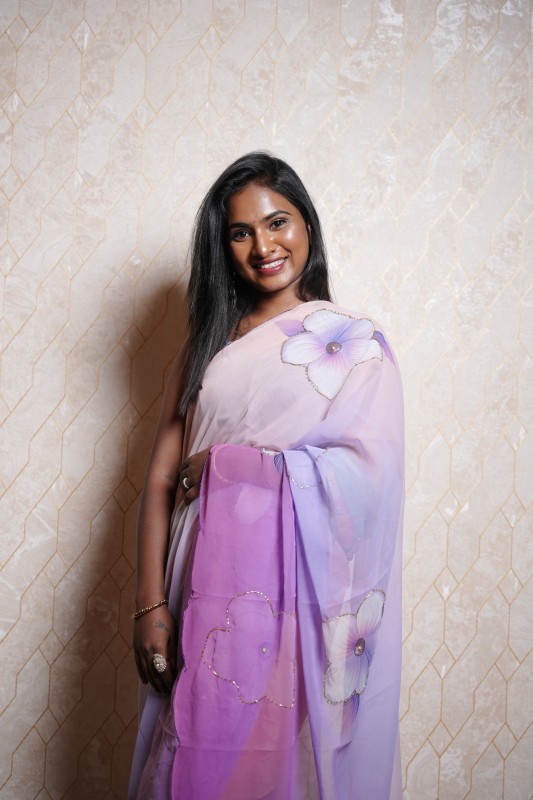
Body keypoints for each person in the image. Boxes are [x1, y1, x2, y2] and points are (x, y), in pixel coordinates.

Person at [128, 152, 404, 800]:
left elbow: (369, 481)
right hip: (195, 580)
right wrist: (150, 604)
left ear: (306, 223)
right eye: (240, 232)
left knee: (259, 767)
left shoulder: (352, 346)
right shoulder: (209, 342)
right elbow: (161, 480)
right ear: (222, 247)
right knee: (185, 758)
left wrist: (238, 468)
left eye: (277, 222)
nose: (263, 247)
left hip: (289, 592)